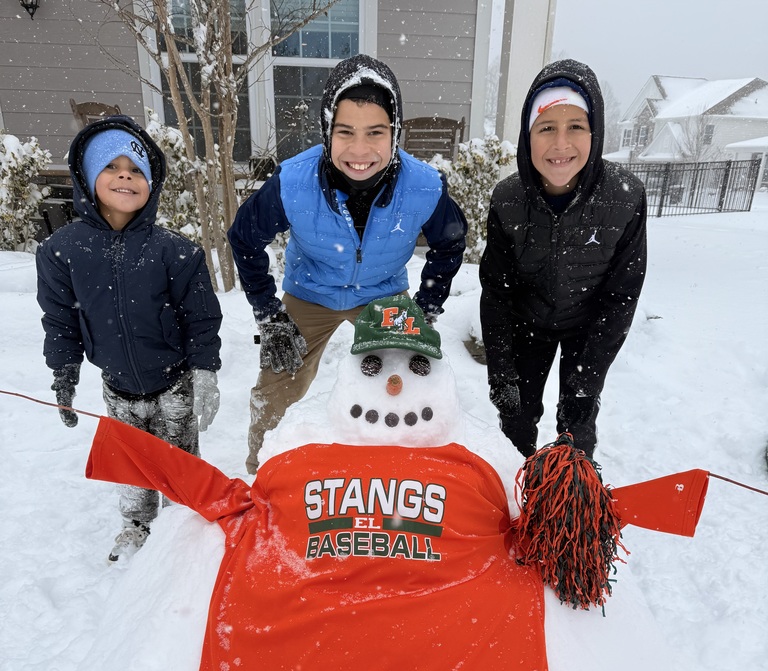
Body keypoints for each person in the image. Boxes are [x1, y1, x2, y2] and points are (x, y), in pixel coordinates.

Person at [228, 52, 468, 473]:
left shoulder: (424, 186)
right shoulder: (293, 183)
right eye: (345, 132)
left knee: (400, 385)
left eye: (376, 132)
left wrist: (427, 308)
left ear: (394, 132)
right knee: (277, 384)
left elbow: (450, 244)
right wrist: (270, 315)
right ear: (326, 132)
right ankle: (262, 473)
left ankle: (391, 470)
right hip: (310, 293)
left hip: (383, 295)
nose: (360, 150)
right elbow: (244, 239)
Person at [36, 114, 223, 561]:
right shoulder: (62, 250)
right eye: (111, 166)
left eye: (136, 169)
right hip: (116, 385)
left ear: (151, 183)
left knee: (180, 459)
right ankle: (137, 525)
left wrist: (205, 372)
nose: (125, 175)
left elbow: (201, 318)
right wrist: (64, 371)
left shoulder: (176, 250)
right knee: (132, 460)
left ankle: (185, 527)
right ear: (87, 177)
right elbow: (60, 318)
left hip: (173, 380)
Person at [479, 59, 647, 458]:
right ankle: (513, 497)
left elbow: (621, 296)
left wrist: (587, 383)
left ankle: (571, 505)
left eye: (576, 127)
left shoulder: (624, 198)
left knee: (576, 432)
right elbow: (496, 293)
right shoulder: (507, 199)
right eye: (547, 128)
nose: (561, 144)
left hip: (587, 329)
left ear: (595, 132)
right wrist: (501, 370)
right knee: (514, 426)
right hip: (527, 323)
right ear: (528, 134)